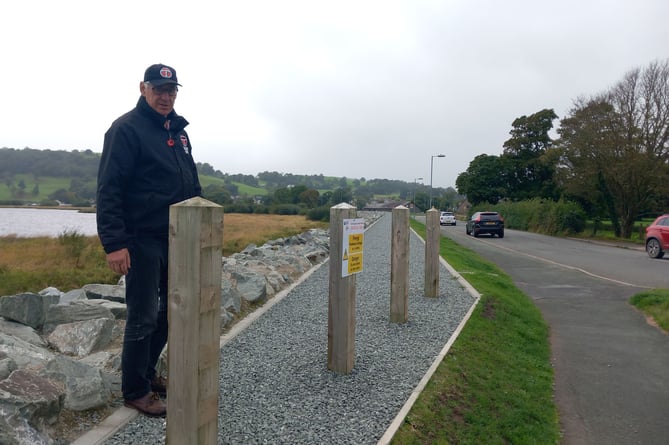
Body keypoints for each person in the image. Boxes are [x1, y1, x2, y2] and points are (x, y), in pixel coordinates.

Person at [96, 63, 201, 417]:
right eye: (158, 89)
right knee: (142, 316)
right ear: (143, 88)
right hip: (140, 238)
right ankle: (135, 391)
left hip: (178, 237)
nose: (165, 96)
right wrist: (114, 243)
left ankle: (147, 372)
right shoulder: (125, 130)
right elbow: (109, 190)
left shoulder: (179, 132)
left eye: (171, 91)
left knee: (171, 312)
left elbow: (191, 183)